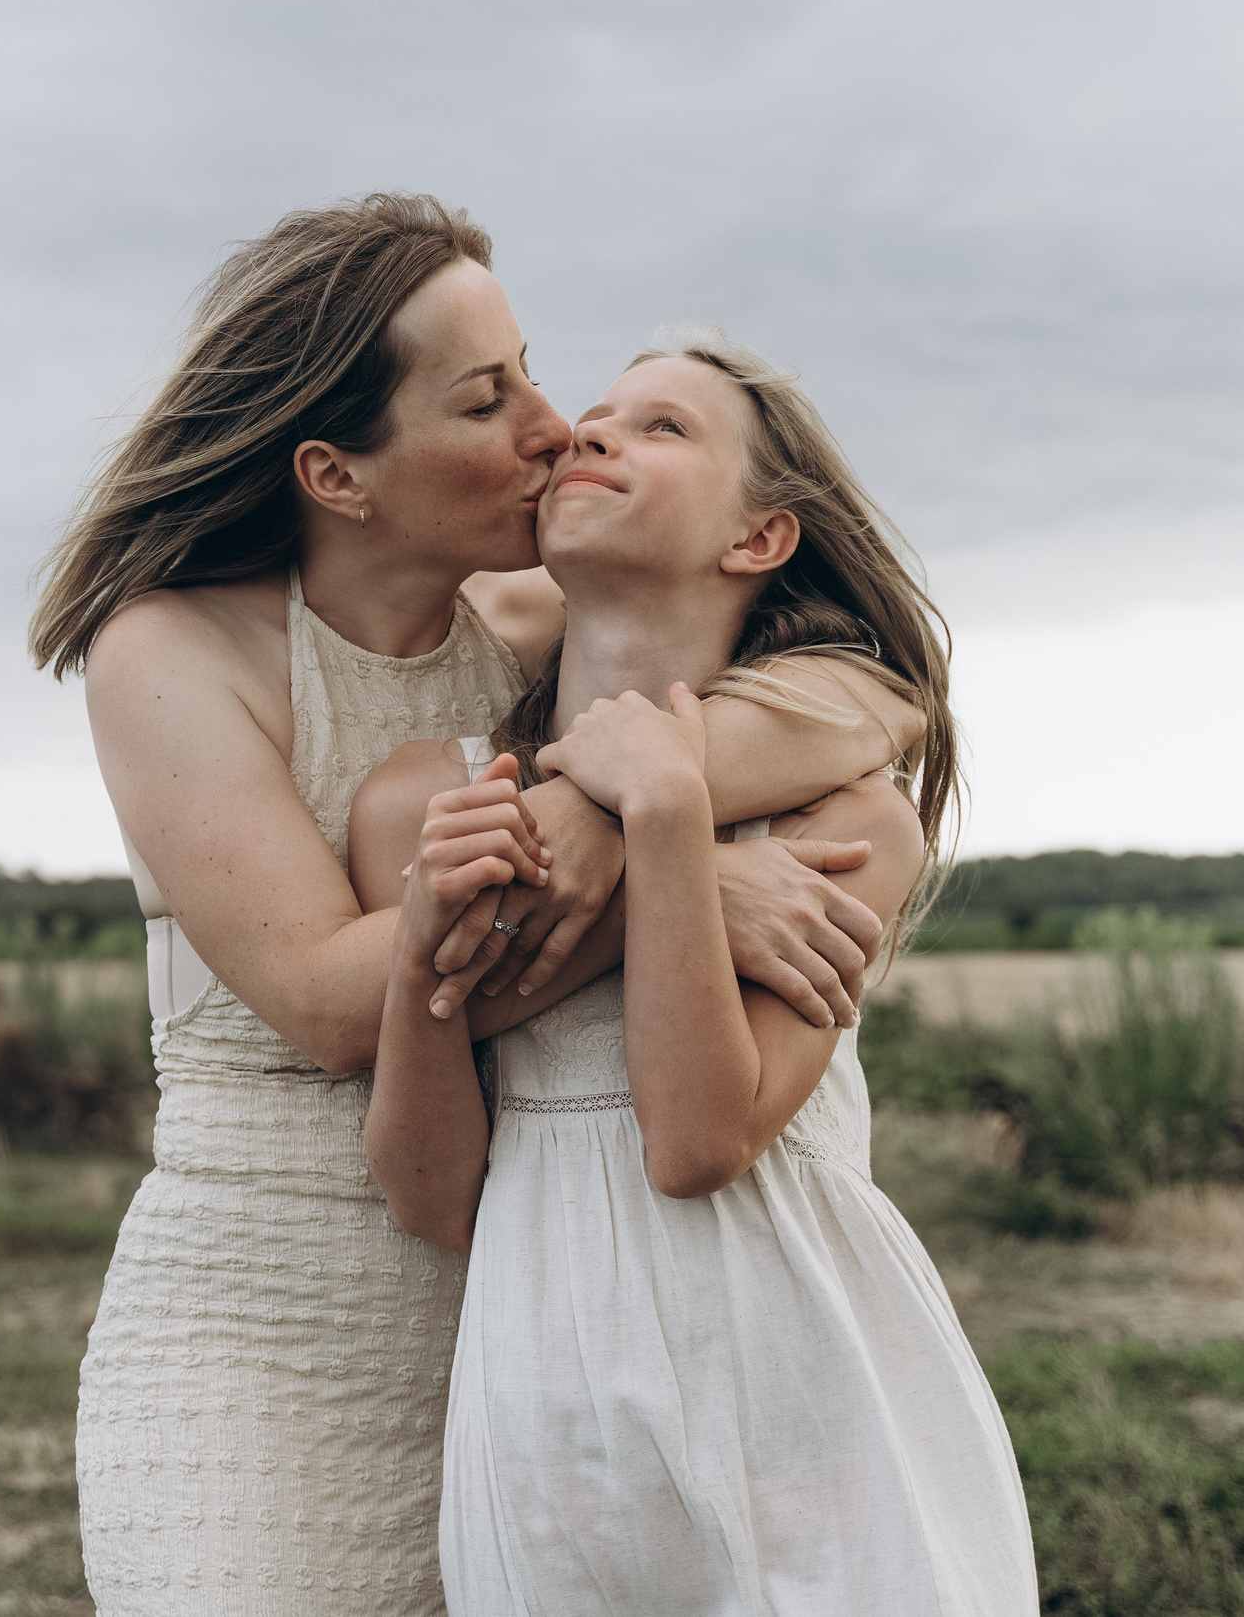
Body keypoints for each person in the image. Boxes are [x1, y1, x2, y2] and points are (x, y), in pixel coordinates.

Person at [28, 197, 925, 1614]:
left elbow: (867, 690)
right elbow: (332, 1001)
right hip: (269, 1310)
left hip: (523, 1307)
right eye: (487, 395)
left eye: (533, 370)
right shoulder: (174, 646)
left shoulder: (535, 617)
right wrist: (668, 875)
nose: (554, 426)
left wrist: (613, 818)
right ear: (337, 471)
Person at [356, 330, 1038, 1614]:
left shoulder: (850, 822)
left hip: (790, 1360)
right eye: (598, 416)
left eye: (664, 428)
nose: (592, 433)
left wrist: (663, 818)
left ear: (759, 540)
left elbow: (694, 1144)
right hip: (542, 1396)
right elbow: (431, 1195)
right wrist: (415, 952)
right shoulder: (424, 799)